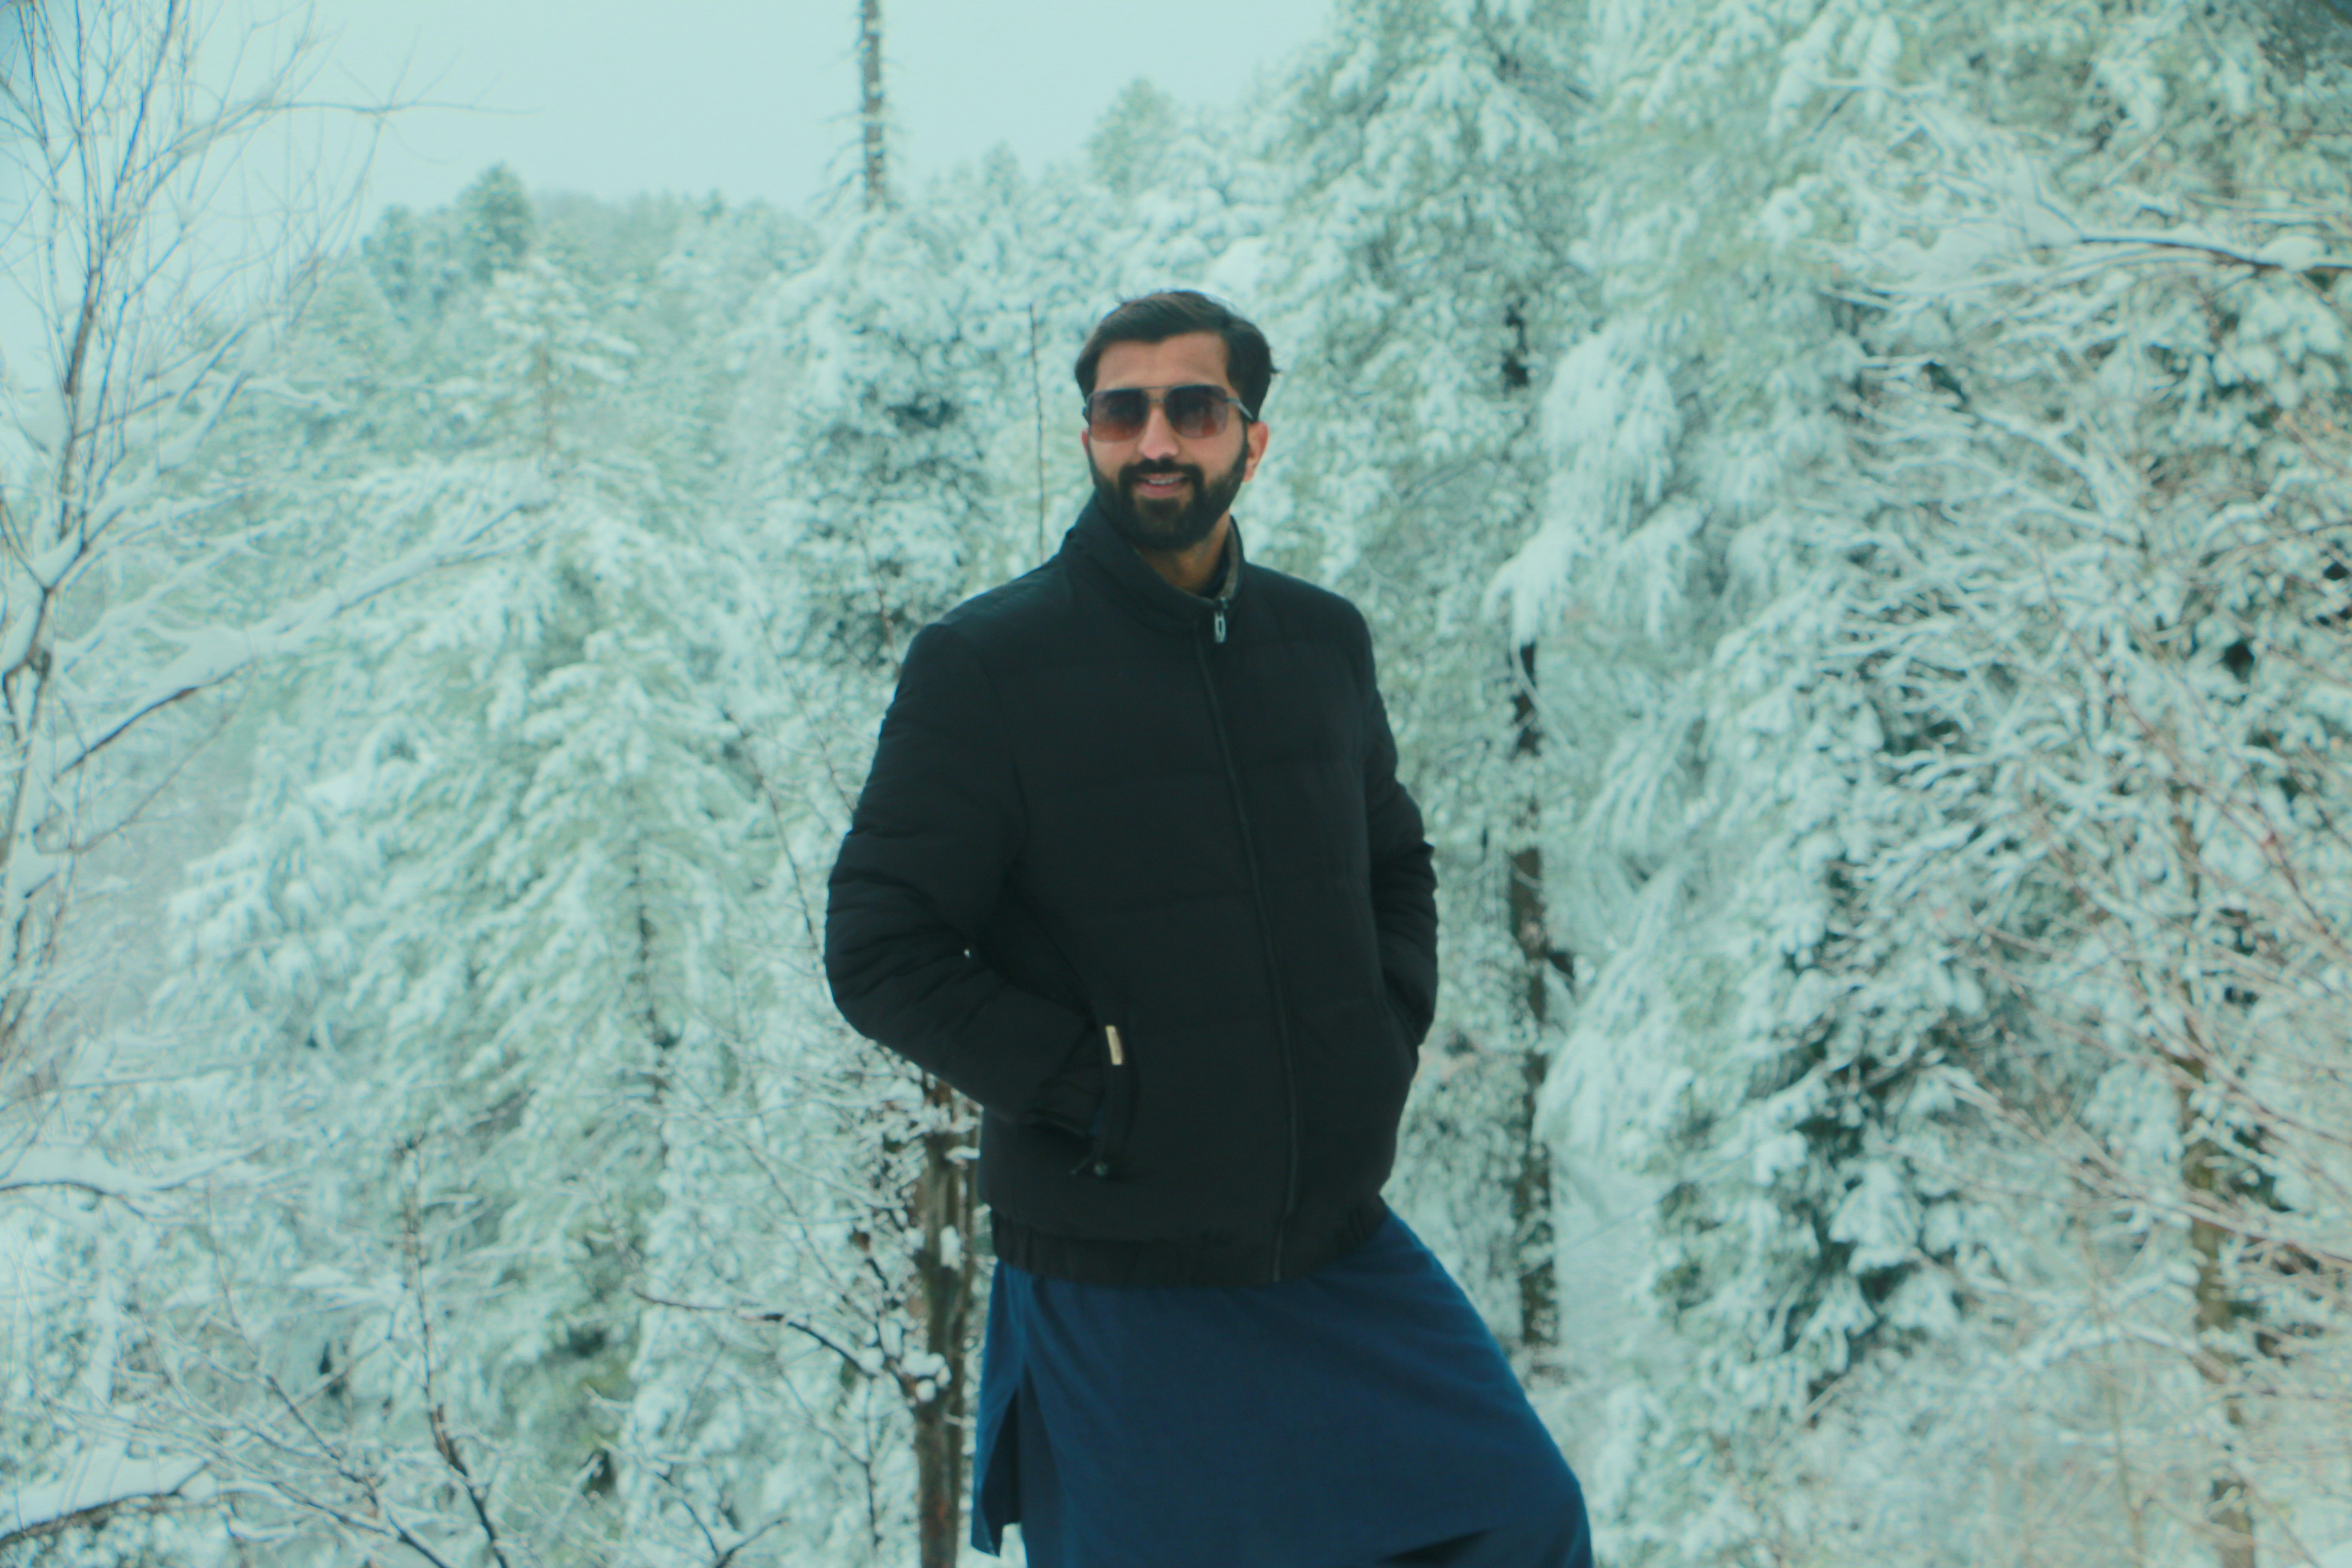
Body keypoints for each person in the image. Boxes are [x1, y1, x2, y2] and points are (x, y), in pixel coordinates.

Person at [826, 291, 1590, 1567]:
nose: (1158, 438)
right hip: (1120, 1269)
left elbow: (1395, 860)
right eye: (1123, 411)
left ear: (1254, 435)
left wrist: (1380, 1030)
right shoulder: (989, 666)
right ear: (1089, 437)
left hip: (1334, 1241)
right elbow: (879, 946)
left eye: (1195, 407)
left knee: (1516, 1515)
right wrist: (1094, 1090)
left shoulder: (1320, 643)